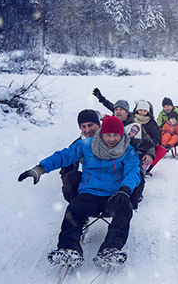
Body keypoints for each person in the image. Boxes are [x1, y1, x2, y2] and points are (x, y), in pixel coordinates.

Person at [18, 115, 140, 269]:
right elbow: (63, 156)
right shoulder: (86, 145)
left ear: (121, 135)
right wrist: (39, 169)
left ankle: (110, 249)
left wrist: (125, 190)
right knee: (73, 210)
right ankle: (68, 248)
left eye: (116, 135)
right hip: (89, 193)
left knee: (125, 210)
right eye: (108, 134)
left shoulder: (128, 151)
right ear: (101, 133)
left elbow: (133, 171)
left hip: (114, 194)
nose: (111, 139)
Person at [60, 109, 102, 203]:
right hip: (90, 180)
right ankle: (78, 210)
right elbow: (66, 169)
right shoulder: (78, 145)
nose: (87, 130)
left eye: (90, 125)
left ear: (98, 124)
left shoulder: (112, 137)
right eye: (83, 126)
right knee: (70, 177)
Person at [132, 99, 166, 175]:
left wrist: (148, 146)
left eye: (144, 111)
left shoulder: (151, 123)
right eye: (140, 110)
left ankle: (146, 168)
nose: (142, 113)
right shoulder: (131, 118)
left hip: (146, 146)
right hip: (132, 143)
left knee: (161, 150)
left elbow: (156, 138)